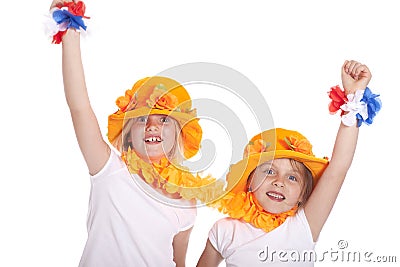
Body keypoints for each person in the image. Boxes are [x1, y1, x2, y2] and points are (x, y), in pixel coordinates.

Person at [48, 1, 223, 266]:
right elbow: (80, 107)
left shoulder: (185, 203)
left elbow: (178, 262)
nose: (152, 126)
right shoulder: (109, 169)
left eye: (164, 119)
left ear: (179, 135)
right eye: (142, 119)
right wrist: (69, 30)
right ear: (129, 135)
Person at [197, 60, 381, 266]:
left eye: (292, 177)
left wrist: (353, 97)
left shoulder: (305, 224)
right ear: (249, 181)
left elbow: (337, 168)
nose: (279, 182)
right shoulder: (225, 230)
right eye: (269, 172)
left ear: (303, 194)